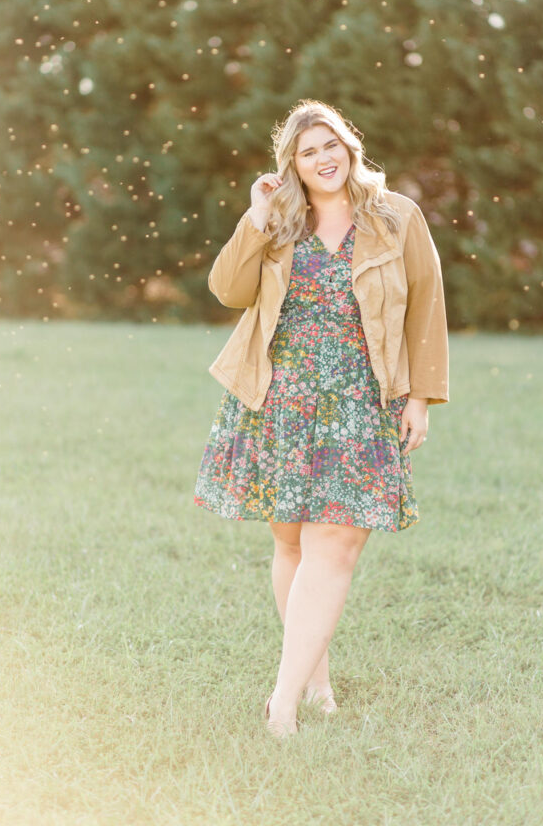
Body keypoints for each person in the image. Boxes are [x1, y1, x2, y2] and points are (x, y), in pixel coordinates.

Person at [193, 99, 449, 739]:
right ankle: (316, 679)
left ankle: (281, 701)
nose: (323, 158)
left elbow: (426, 304)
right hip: (283, 392)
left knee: (335, 542)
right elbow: (228, 289)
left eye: (330, 144)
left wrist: (420, 396)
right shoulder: (277, 221)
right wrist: (254, 218)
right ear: (293, 165)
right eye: (308, 152)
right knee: (290, 540)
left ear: (349, 147)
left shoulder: (397, 217)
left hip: (364, 396)